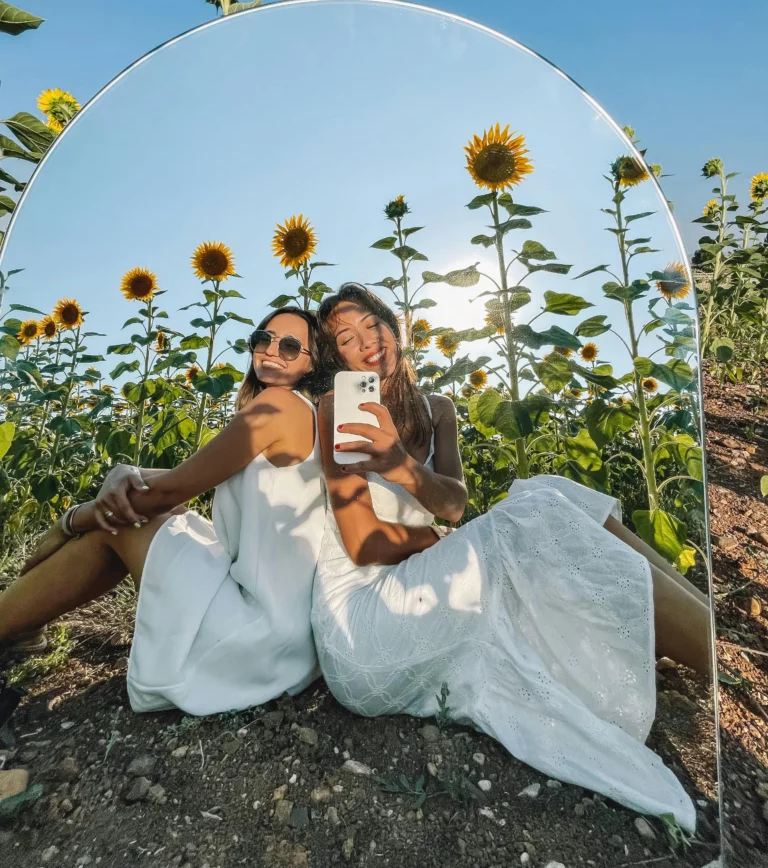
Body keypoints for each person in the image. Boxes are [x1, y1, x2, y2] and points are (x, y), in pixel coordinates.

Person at [310, 283, 713, 832]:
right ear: (338, 360)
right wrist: (441, 542)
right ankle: (719, 656)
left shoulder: (438, 410)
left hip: (422, 588)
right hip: (365, 622)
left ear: (393, 324)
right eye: (346, 340)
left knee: (550, 490)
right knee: (539, 510)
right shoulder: (338, 407)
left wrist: (401, 465)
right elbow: (362, 542)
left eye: (370, 326)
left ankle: (708, 631)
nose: (366, 344)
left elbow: (453, 504)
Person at [0, 309, 328, 716]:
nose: (272, 350)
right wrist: (131, 471)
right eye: (264, 337)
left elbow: (171, 491)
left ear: (312, 364)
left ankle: (12, 622)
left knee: (124, 527)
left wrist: (70, 520)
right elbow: (187, 478)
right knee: (166, 528)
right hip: (289, 640)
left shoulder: (277, 405)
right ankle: (24, 625)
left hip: (255, 633)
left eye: (291, 346)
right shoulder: (301, 412)